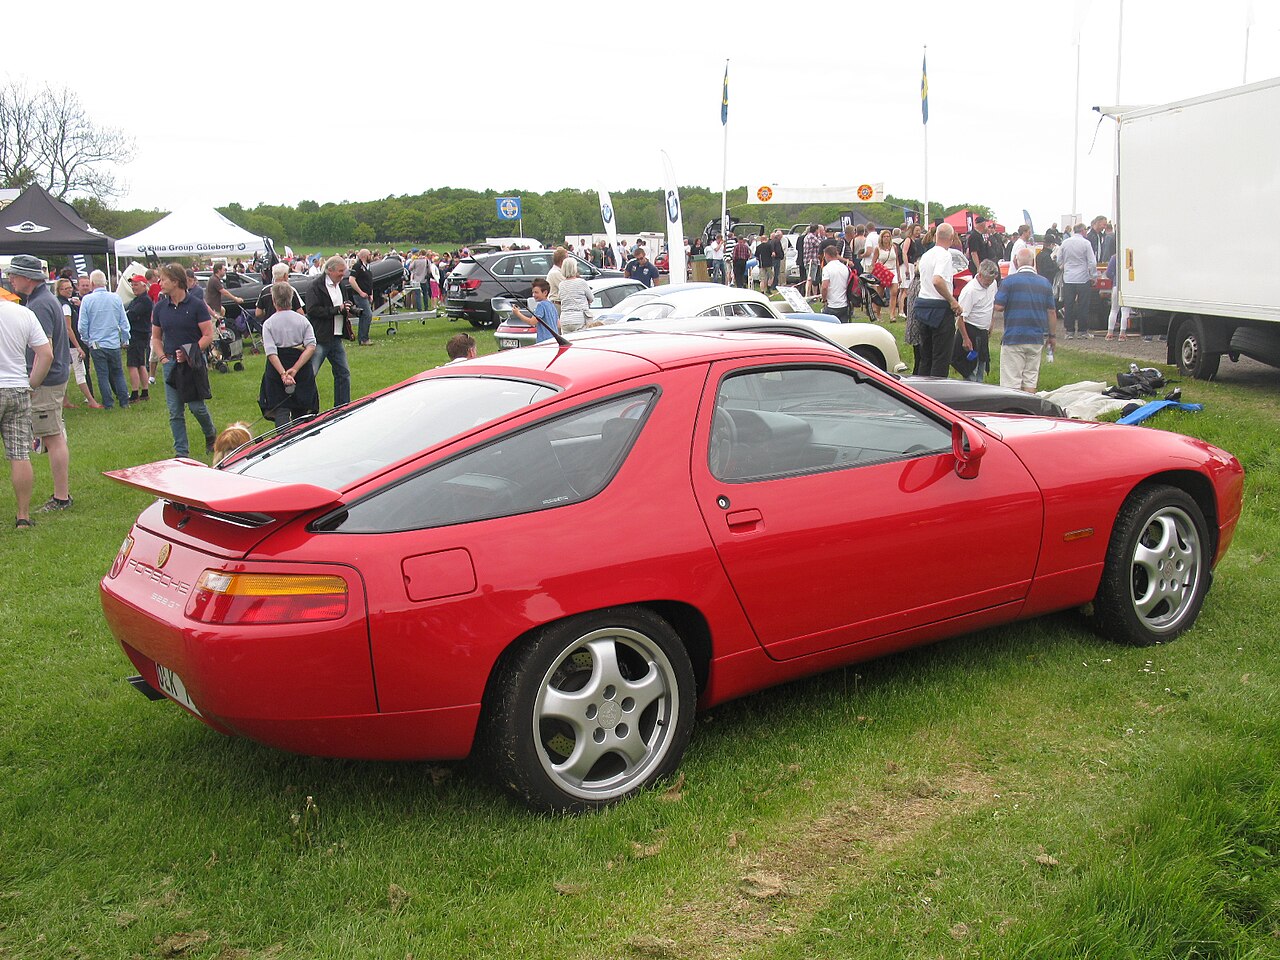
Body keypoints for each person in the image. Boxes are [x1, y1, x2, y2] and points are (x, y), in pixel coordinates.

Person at [5, 255, 73, 512]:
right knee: (53, 434)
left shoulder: (40, 305)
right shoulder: (42, 300)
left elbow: (44, 349)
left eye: (14, 275)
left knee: (53, 436)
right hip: (52, 376)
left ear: (27, 278)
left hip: (47, 378)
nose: (10, 279)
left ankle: (61, 497)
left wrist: (32, 384)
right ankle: (61, 495)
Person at [151, 263, 217, 458]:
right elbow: (156, 337)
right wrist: (162, 356)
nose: (160, 283)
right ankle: (182, 453)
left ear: (176, 281)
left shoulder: (196, 305)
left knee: (197, 407)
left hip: (192, 363)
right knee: (175, 412)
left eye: (163, 279)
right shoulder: (160, 307)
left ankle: (211, 434)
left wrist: (190, 352)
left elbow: (207, 335)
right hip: (170, 363)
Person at [0, 287, 54, 528]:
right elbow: (46, 354)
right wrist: (31, 384)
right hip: (17, 388)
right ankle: (23, 516)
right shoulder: (23, 313)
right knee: (19, 454)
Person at [995, 249, 1058, 393]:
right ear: (1033, 262)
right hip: (1036, 337)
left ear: (1016, 262)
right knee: (1030, 378)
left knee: (1011, 381)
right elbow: (1051, 311)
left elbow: (998, 306)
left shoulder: (1009, 281)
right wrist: (1052, 336)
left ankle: (1013, 411)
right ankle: (1028, 408)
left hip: (1014, 336)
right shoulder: (1045, 283)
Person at [258, 282, 318, 427]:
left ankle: (284, 441)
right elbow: (311, 346)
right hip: (300, 364)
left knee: (281, 409)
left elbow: (271, 352)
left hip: (277, 366)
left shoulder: (268, 324)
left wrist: (283, 374)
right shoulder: (303, 320)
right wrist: (295, 369)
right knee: (303, 409)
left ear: (273, 300)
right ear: (291, 299)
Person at [912, 223, 964, 378]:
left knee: (925, 356)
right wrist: (952, 301)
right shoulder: (945, 255)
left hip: (923, 304)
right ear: (952, 238)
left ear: (935, 236)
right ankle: (937, 394)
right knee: (940, 358)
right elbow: (937, 280)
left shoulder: (927, 255)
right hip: (939, 308)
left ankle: (921, 391)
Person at [303, 255, 354, 408]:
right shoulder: (315, 286)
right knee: (310, 374)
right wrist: (335, 310)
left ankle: (342, 407)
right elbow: (311, 310)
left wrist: (347, 306)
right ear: (330, 271)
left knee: (343, 373)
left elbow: (345, 301)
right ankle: (306, 408)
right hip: (320, 337)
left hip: (336, 336)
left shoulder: (341, 285)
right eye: (340, 271)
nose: (343, 274)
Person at [76, 270, 132, 411]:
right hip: (113, 343)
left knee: (102, 374)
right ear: (105, 283)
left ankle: (108, 403)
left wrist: (86, 340)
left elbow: (82, 325)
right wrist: (125, 339)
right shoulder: (116, 298)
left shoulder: (87, 300)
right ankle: (124, 401)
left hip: (96, 344)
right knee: (118, 372)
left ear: (92, 283)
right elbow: (124, 322)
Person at [55, 278, 102, 409]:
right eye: (66, 288)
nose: (69, 290)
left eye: (70, 287)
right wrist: (78, 346)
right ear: (59, 290)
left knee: (65, 372)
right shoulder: (65, 306)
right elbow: (68, 328)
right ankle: (92, 401)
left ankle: (65, 401)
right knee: (80, 372)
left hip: (63, 344)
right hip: (71, 345)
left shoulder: (61, 303)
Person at [957, 260, 999, 382]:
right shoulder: (970, 291)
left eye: (991, 281)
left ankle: (979, 389)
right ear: (979, 275)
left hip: (983, 331)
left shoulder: (993, 283)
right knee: (971, 369)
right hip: (970, 330)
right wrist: (965, 339)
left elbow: (992, 303)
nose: (989, 284)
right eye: (987, 282)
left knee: (982, 364)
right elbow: (960, 317)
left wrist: (991, 322)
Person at [1057, 222, 1097, 339]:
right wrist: (1093, 276)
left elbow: (1059, 259)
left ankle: (1069, 331)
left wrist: (1063, 267)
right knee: (1083, 305)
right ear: (1083, 231)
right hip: (1082, 278)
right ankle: (1082, 331)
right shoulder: (1086, 243)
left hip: (1068, 278)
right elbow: (1092, 262)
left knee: (1068, 304)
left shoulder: (1065, 243)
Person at [124, 275, 154, 402]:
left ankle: (135, 393)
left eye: (136, 284)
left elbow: (131, 315)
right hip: (139, 335)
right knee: (140, 363)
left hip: (138, 335)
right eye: (132, 284)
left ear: (144, 285)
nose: (133, 287)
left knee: (132, 365)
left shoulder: (144, 300)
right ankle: (145, 392)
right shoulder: (137, 300)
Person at [510, 279, 559, 343]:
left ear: (545, 293)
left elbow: (532, 322)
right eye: (533, 292)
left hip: (544, 341)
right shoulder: (551, 305)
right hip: (554, 340)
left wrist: (518, 313)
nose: (533, 295)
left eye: (536, 292)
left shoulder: (541, 305)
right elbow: (558, 323)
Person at [557, 258, 592, 333]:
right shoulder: (581, 282)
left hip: (565, 319)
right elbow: (591, 298)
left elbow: (560, 298)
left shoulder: (561, 284)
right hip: (579, 318)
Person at [350, 248, 375, 345]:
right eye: (369, 254)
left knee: (364, 316)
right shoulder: (357, 266)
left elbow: (369, 281)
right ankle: (364, 338)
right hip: (360, 295)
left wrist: (371, 293)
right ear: (365, 256)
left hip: (366, 295)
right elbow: (352, 280)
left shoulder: (367, 267)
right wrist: (360, 292)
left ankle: (362, 337)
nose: (371, 256)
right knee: (367, 315)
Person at [1104, 253, 1132, 340]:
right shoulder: (1130, 256)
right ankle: (1122, 334)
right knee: (1125, 310)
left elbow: (1108, 273)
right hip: (1127, 286)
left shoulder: (1114, 257)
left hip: (1116, 285)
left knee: (1113, 310)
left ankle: (1110, 333)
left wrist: (1114, 278)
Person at [819, 246, 851, 321]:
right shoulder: (845, 268)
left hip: (832, 305)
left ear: (827, 255)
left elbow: (824, 287)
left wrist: (824, 299)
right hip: (844, 304)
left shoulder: (827, 268)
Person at [802, 224, 822, 297]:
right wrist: (819, 235)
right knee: (810, 279)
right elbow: (820, 244)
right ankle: (807, 294)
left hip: (806, 260)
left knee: (809, 278)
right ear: (816, 230)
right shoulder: (812, 237)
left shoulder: (807, 236)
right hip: (812, 260)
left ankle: (808, 293)